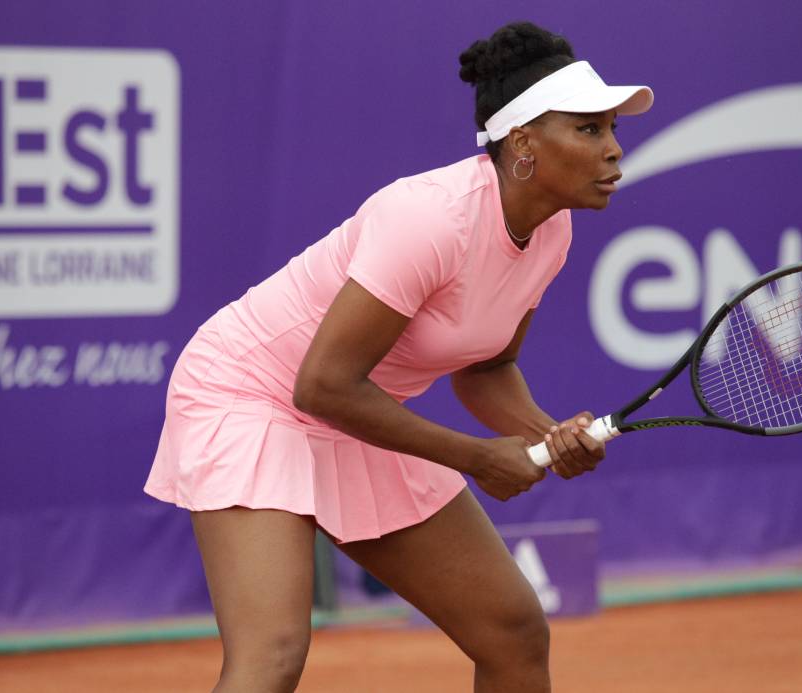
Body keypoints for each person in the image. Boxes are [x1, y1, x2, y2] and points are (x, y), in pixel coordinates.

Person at [144, 20, 653, 693]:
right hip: (248, 392)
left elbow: (486, 370)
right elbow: (322, 385)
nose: (614, 149)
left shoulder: (551, 231)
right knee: (272, 657)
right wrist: (478, 457)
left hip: (355, 406)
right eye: (589, 129)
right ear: (524, 142)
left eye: (611, 128)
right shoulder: (429, 218)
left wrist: (546, 434)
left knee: (513, 631)